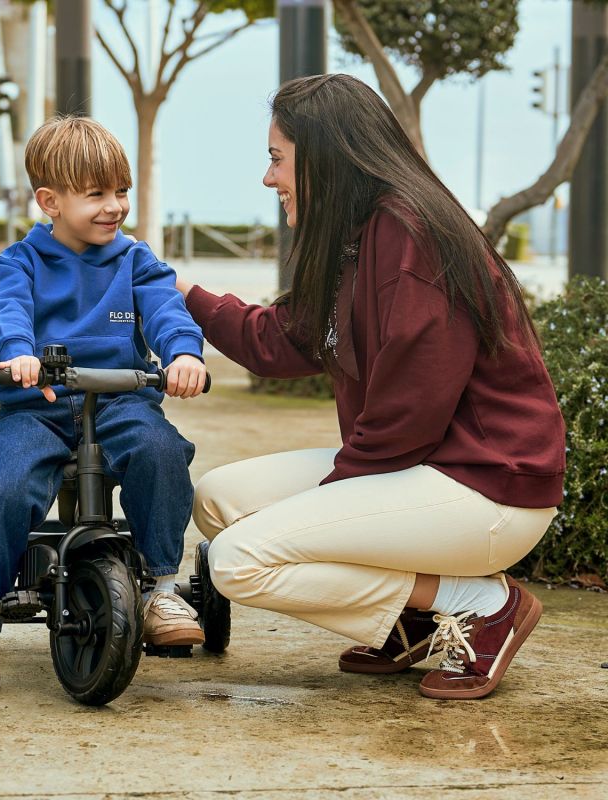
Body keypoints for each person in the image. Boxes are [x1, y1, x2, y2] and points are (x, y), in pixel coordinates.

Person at [176, 74, 565, 700]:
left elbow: (407, 414)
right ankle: (414, 618)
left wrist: (322, 508)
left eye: (277, 159)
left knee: (238, 561)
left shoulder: (412, 236)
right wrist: (182, 297)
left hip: (487, 485)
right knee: (220, 500)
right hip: (424, 469)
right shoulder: (357, 235)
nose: (267, 178)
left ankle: (482, 606)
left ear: (326, 157)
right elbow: (282, 341)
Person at [0, 116, 207, 702]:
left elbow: (167, 311)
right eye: (96, 194)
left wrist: (183, 354)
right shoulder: (21, 262)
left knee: (162, 450)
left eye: (120, 192)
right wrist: (17, 354)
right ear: (50, 200)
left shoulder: (134, 261)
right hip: (39, 407)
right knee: (6, 487)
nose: (115, 206)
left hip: (120, 401)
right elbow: (9, 313)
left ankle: (159, 587)